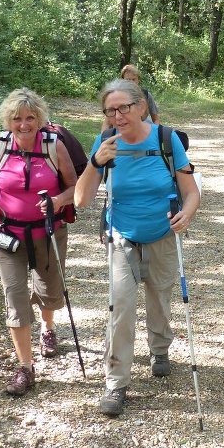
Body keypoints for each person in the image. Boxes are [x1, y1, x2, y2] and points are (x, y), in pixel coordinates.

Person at [74, 79, 200, 416]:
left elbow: (191, 192)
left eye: (123, 108)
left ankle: (159, 349)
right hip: (121, 237)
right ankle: (116, 383)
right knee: (120, 308)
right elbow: (81, 199)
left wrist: (186, 214)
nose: (117, 115)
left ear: (141, 107)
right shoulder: (104, 143)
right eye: (110, 110)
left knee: (160, 297)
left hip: (162, 233)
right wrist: (95, 163)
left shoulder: (165, 139)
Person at [0, 88, 78, 397]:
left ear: (39, 118)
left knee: (50, 292)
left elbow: (74, 188)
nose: (23, 124)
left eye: (30, 118)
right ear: (7, 120)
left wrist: (56, 201)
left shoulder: (54, 147)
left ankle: (48, 327)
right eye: (17, 119)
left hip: (49, 233)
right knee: (15, 296)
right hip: (7, 235)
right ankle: (25, 367)